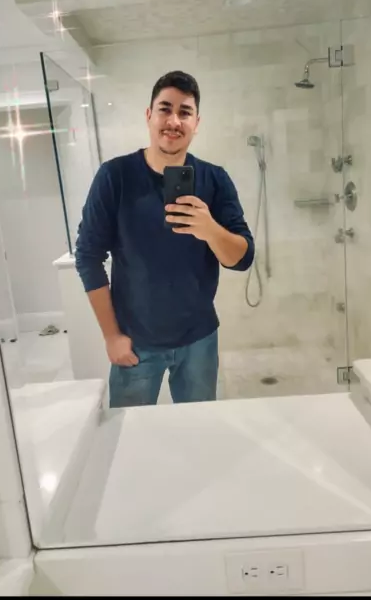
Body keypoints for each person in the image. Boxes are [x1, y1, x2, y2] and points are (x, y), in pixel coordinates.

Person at [75, 71, 254, 407]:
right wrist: (111, 336)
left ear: (196, 123)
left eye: (185, 112)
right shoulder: (115, 176)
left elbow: (242, 259)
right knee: (130, 431)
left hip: (199, 340)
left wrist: (209, 229)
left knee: (197, 430)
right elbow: (87, 256)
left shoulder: (215, 179)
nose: (174, 121)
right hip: (135, 341)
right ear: (149, 115)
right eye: (165, 109)